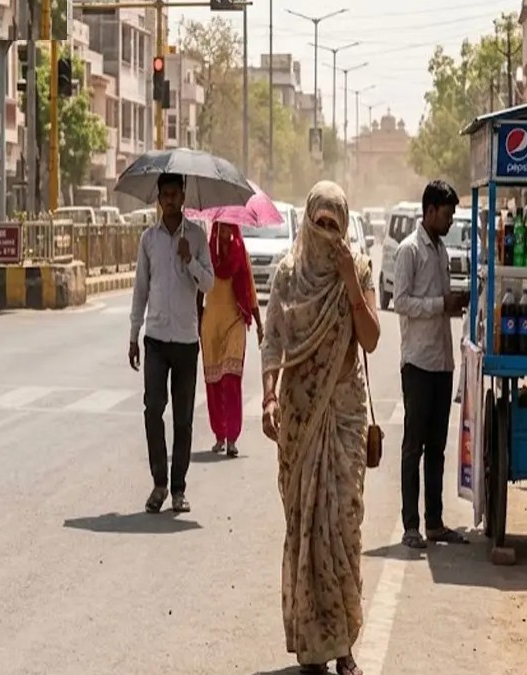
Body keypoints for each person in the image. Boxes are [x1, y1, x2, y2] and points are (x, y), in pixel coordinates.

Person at [260, 181, 380, 675]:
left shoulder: (361, 269)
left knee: (342, 527)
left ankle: (343, 644)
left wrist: (351, 279)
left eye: (335, 224)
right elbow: (273, 342)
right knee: (304, 528)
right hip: (300, 415)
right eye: (320, 223)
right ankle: (311, 644)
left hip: (345, 414)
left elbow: (371, 339)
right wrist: (268, 395)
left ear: (345, 225)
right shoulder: (288, 276)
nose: (327, 233)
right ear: (308, 221)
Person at [129, 172, 215, 514]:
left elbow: (209, 283)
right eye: (163, 195)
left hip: (185, 340)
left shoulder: (196, 237)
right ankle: (159, 483)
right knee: (153, 410)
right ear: (159, 199)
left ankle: (179, 489)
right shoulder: (148, 239)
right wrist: (133, 334)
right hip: (155, 338)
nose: (168, 200)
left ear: (183, 197)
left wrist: (189, 259)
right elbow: (140, 290)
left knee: (183, 418)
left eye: (173, 194)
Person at [393, 179, 467, 548]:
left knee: (437, 447)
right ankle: (411, 525)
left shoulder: (440, 251)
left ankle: (434, 522)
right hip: (418, 362)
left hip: (441, 361)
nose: (452, 219)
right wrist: (441, 305)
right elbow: (401, 301)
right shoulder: (409, 250)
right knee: (414, 446)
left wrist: (454, 303)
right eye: (448, 213)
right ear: (431, 211)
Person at [201, 220, 263, 457]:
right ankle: (219, 434)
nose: (225, 232)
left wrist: (259, 324)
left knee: (230, 380)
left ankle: (232, 437)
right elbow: (199, 288)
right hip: (211, 324)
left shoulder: (240, 253)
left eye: (229, 227)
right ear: (215, 229)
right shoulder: (207, 254)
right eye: (221, 227)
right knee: (214, 382)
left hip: (235, 321)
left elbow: (250, 288)